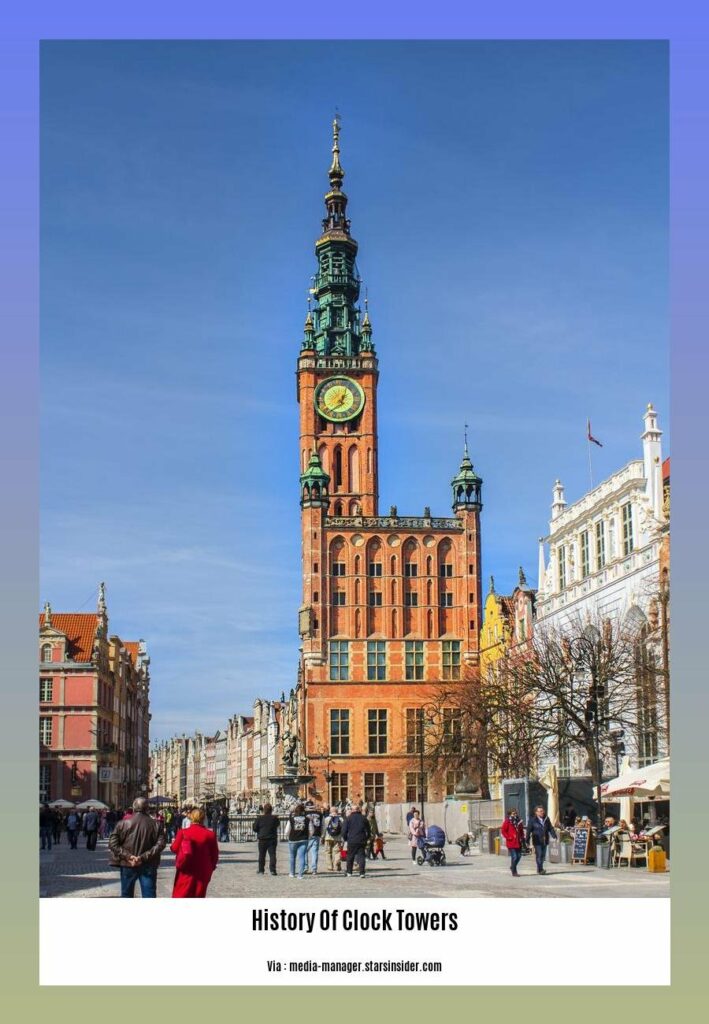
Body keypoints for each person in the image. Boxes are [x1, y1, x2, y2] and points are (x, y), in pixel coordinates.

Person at [108, 797, 167, 898]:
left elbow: (112, 844)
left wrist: (129, 856)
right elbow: (160, 845)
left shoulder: (122, 824)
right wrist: (142, 857)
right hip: (148, 863)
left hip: (128, 863)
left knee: (126, 894)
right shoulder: (156, 825)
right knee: (149, 895)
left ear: (134, 808)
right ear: (147, 809)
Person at [171, 807, 220, 898]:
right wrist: (210, 868)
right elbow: (215, 855)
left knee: (182, 894)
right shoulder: (210, 834)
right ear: (203, 818)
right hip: (202, 871)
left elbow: (174, 848)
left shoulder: (183, 832)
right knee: (199, 895)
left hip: (186, 869)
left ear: (191, 818)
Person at [341, 803, 371, 878]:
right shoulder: (364, 818)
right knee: (361, 856)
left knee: (350, 856)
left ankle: (349, 872)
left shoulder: (348, 818)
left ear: (352, 810)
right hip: (361, 840)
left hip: (351, 840)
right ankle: (362, 873)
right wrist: (367, 838)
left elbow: (344, 831)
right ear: (359, 810)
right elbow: (368, 830)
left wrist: (345, 839)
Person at [526, 805, 557, 875]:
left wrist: (554, 836)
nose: (542, 812)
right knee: (539, 855)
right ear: (536, 812)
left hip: (545, 840)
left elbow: (550, 828)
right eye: (540, 811)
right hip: (537, 841)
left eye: (543, 811)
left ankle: (539, 868)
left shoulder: (546, 819)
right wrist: (527, 841)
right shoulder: (532, 820)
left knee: (543, 856)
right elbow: (528, 831)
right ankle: (540, 869)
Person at [252, 802, 280, 876]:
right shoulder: (275, 818)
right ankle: (273, 870)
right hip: (272, 839)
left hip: (262, 839)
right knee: (272, 855)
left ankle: (261, 870)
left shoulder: (259, 818)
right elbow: (277, 825)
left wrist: (260, 831)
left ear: (264, 810)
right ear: (271, 810)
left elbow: (254, 828)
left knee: (262, 855)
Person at [285, 802, 310, 879]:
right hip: (303, 839)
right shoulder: (307, 819)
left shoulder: (291, 819)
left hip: (293, 840)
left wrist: (289, 836)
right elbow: (311, 830)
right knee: (302, 857)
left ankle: (292, 873)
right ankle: (300, 875)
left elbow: (287, 831)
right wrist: (308, 836)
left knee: (292, 857)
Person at [501, 808, 524, 877]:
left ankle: (512, 866)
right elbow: (503, 831)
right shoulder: (508, 821)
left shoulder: (519, 821)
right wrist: (508, 837)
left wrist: (522, 837)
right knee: (514, 857)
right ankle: (514, 872)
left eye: (516, 813)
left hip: (518, 842)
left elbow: (521, 830)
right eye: (514, 813)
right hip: (511, 842)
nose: (515, 815)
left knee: (519, 856)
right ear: (510, 814)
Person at [322, 805, 344, 872]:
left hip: (328, 837)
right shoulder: (341, 819)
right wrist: (343, 838)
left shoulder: (327, 819)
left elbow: (324, 829)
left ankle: (330, 866)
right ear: (337, 811)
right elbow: (343, 829)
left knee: (328, 852)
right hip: (338, 838)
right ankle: (336, 864)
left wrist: (322, 837)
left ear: (330, 811)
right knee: (337, 852)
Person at [306, 802, 324, 875]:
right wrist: (322, 835)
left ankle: (305, 867)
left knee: (304, 852)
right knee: (314, 852)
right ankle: (314, 869)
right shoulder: (319, 814)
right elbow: (323, 825)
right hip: (316, 834)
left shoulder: (304, 814)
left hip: (307, 835)